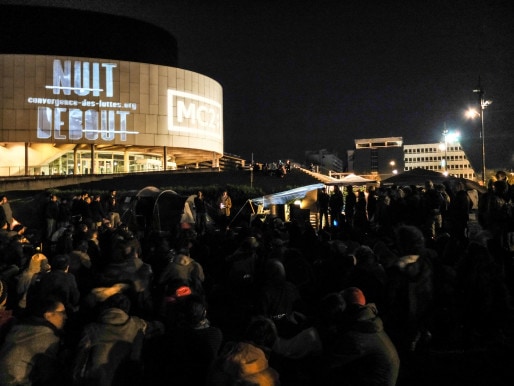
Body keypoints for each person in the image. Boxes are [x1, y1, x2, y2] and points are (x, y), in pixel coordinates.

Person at [0, 297, 69, 386]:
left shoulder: (21, 327)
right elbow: (46, 374)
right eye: (61, 313)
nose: (66, 317)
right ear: (48, 315)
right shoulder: (47, 337)